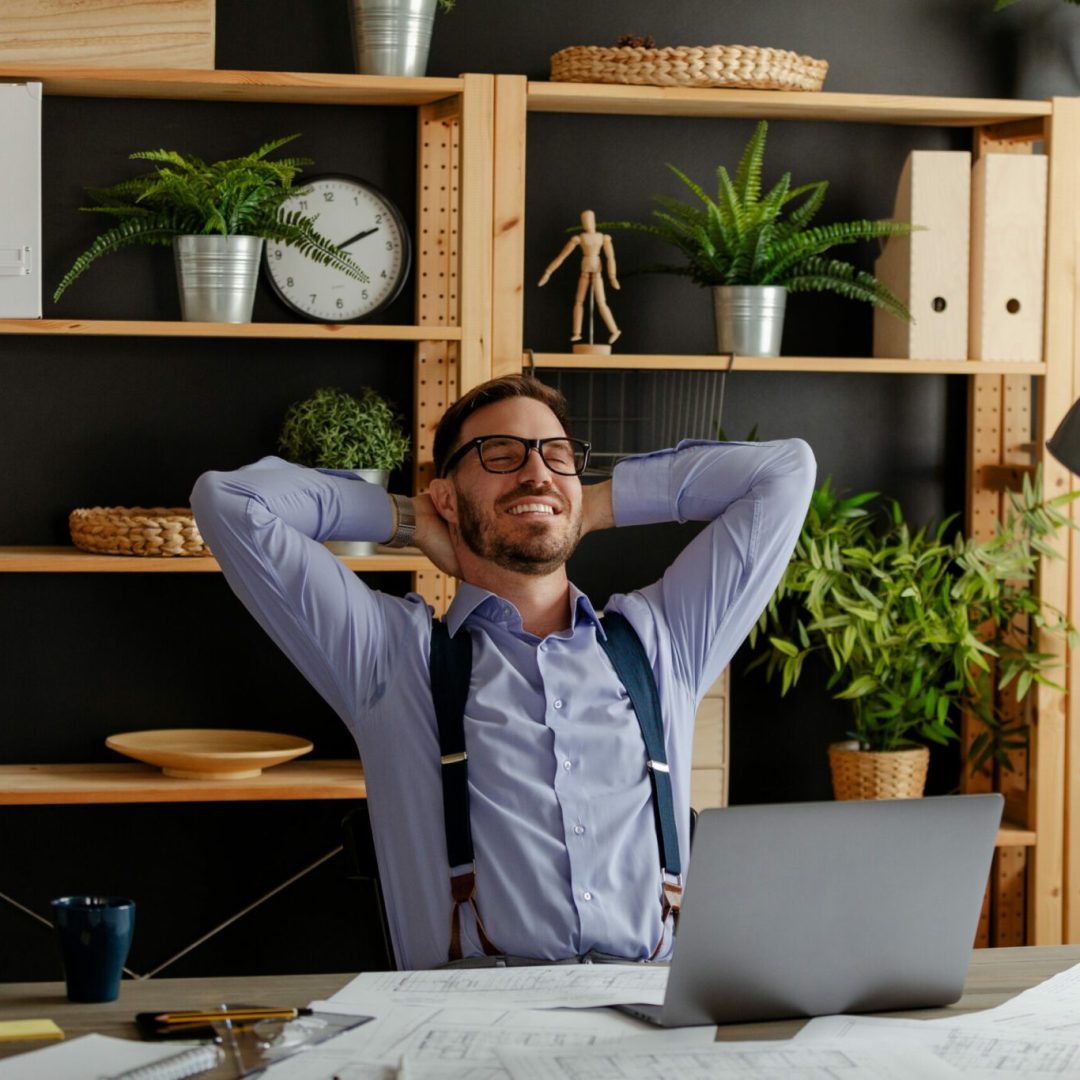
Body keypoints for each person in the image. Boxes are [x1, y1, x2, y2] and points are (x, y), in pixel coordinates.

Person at [190, 374, 815, 970]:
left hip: (651, 1006)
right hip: (467, 1020)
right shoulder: (391, 657)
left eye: (556, 455)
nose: (536, 470)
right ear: (447, 495)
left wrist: (586, 504)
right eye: (501, 455)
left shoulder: (662, 643)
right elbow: (232, 501)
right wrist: (409, 520)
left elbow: (784, 473)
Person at [538, 209, 622, 345]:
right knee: (578, 301)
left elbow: (611, 258)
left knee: (601, 302)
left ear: (594, 221)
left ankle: (614, 330)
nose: (588, 223)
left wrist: (612, 276)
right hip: (584, 270)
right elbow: (562, 256)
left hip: (597, 272)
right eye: (585, 220)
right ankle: (577, 333)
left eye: (590, 220)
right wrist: (548, 272)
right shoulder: (579, 238)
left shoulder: (603, 237)